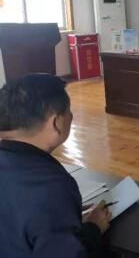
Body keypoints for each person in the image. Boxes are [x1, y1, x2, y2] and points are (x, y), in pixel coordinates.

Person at [0, 73, 112, 257]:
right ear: (56, 123)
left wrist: (63, 216)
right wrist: (93, 228)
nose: (72, 116)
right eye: (68, 111)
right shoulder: (54, 186)